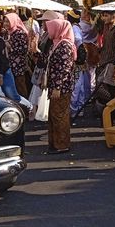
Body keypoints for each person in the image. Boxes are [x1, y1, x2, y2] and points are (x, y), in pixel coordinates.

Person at [44, 19, 76, 154]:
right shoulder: (56, 44)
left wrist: (57, 87)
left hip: (62, 88)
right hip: (54, 86)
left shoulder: (65, 46)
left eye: (50, 28)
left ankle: (62, 144)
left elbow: (64, 69)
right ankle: (54, 143)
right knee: (53, 115)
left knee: (59, 116)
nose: (47, 31)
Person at [94, 11, 115, 110]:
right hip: (103, 63)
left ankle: (112, 117)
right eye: (103, 15)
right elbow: (107, 47)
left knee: (110, 93)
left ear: (113, 16)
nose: (103, 18)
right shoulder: (107, 29)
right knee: (101, 92)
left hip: (111, 65)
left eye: (106, 16)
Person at [3, 13, 30, 98]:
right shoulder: (8, 33)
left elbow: (23, 50)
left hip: (18, 67)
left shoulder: (20, 33)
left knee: (20, 88)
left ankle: (25, 108)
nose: (5, 23)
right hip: (9, 65)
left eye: (8, 21)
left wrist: (9, 47)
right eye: (5, 21)